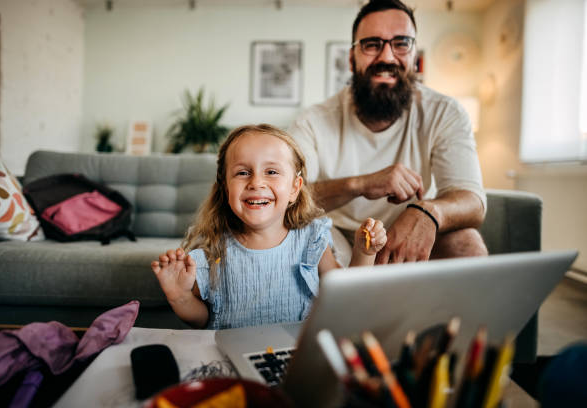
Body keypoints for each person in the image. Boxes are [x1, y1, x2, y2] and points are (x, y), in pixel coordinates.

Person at [289, 0, 488, 266]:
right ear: (351, 58)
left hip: (404, 234)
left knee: (468, 244)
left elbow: (472, 201)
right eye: (372, 44)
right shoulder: (312, 121)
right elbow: (288, 196)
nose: (386, 57)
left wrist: (428, 211)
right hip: (336, 237)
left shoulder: (445, 113)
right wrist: (361, 184)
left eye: (401, 43)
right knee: (299, 237)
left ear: (414, 57)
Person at [151, 124, 387, 329]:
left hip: (294, 357)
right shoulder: (212, 247)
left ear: (295, 188)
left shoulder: (310, 239)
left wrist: (364, 253)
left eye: (271, 172)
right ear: (225, 187)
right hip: (232, 360)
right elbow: (203, 319)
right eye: (243, 172)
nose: (256, 182)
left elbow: (344, 298)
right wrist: (180, 297)